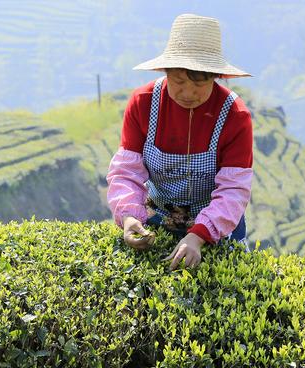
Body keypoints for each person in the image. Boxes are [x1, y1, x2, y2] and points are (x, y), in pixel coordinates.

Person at [106, 13, 254, 270]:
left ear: (215, 76)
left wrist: (199, 235)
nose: (188, 93)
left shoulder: (234, 116)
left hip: (215, 226)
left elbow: (234, 190)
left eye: (200, 83)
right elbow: (126, 172)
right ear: (166, 71)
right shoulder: (143, 103)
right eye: (179, 81)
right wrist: (129, 216)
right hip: (157, 218)